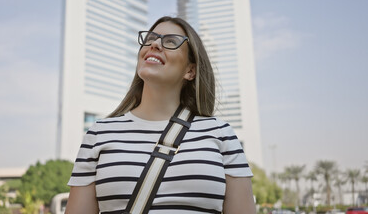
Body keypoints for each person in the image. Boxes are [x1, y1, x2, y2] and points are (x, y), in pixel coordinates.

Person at [65, 16, 256, 214]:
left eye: (171, 41)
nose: (155, 44)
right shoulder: (99, 134)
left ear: (190, 71)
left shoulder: (220, 134)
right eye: (150, 38)